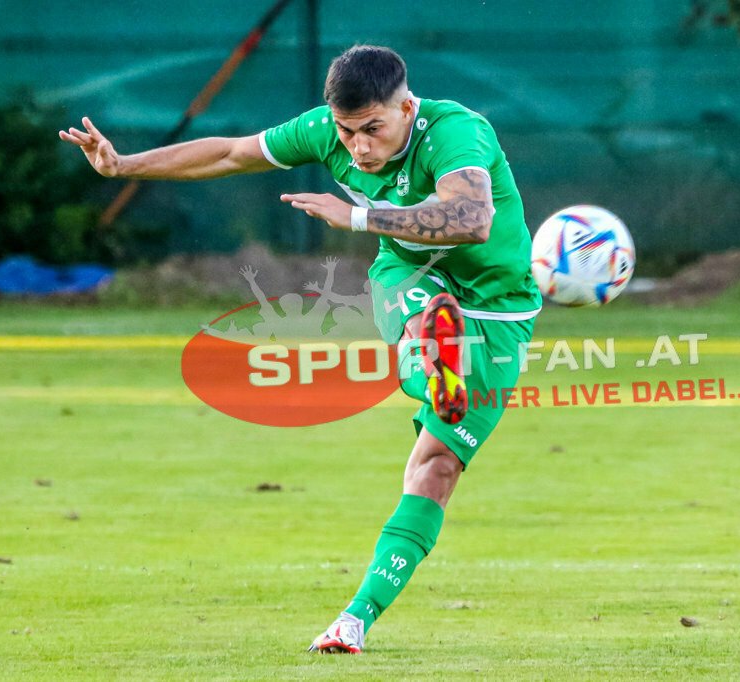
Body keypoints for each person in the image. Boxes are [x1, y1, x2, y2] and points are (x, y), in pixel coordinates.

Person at [60, 45, 542, 653]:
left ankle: (355, 617)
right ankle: (432, 355)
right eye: (347, 131)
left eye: (373, 129)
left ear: (407, 106)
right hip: (410, 277)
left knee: (435, 468)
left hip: (498, 304)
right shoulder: (326, 133)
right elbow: (233, 151)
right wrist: (125, 164)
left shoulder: (455, 131)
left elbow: (470, 219)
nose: (359, 147)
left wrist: (359, 220)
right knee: (416, 308)